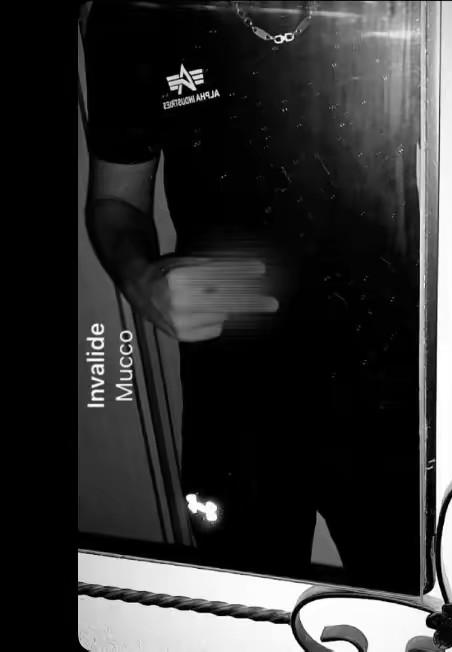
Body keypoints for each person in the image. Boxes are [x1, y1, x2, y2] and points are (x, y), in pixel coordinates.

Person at [84, 0, 425, 594]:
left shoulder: (402, 10)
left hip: (399, 387)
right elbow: (115, 201)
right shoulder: (132, 14)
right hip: (234, 396)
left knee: (423, 614)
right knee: (244, 610)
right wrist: (142, 278)